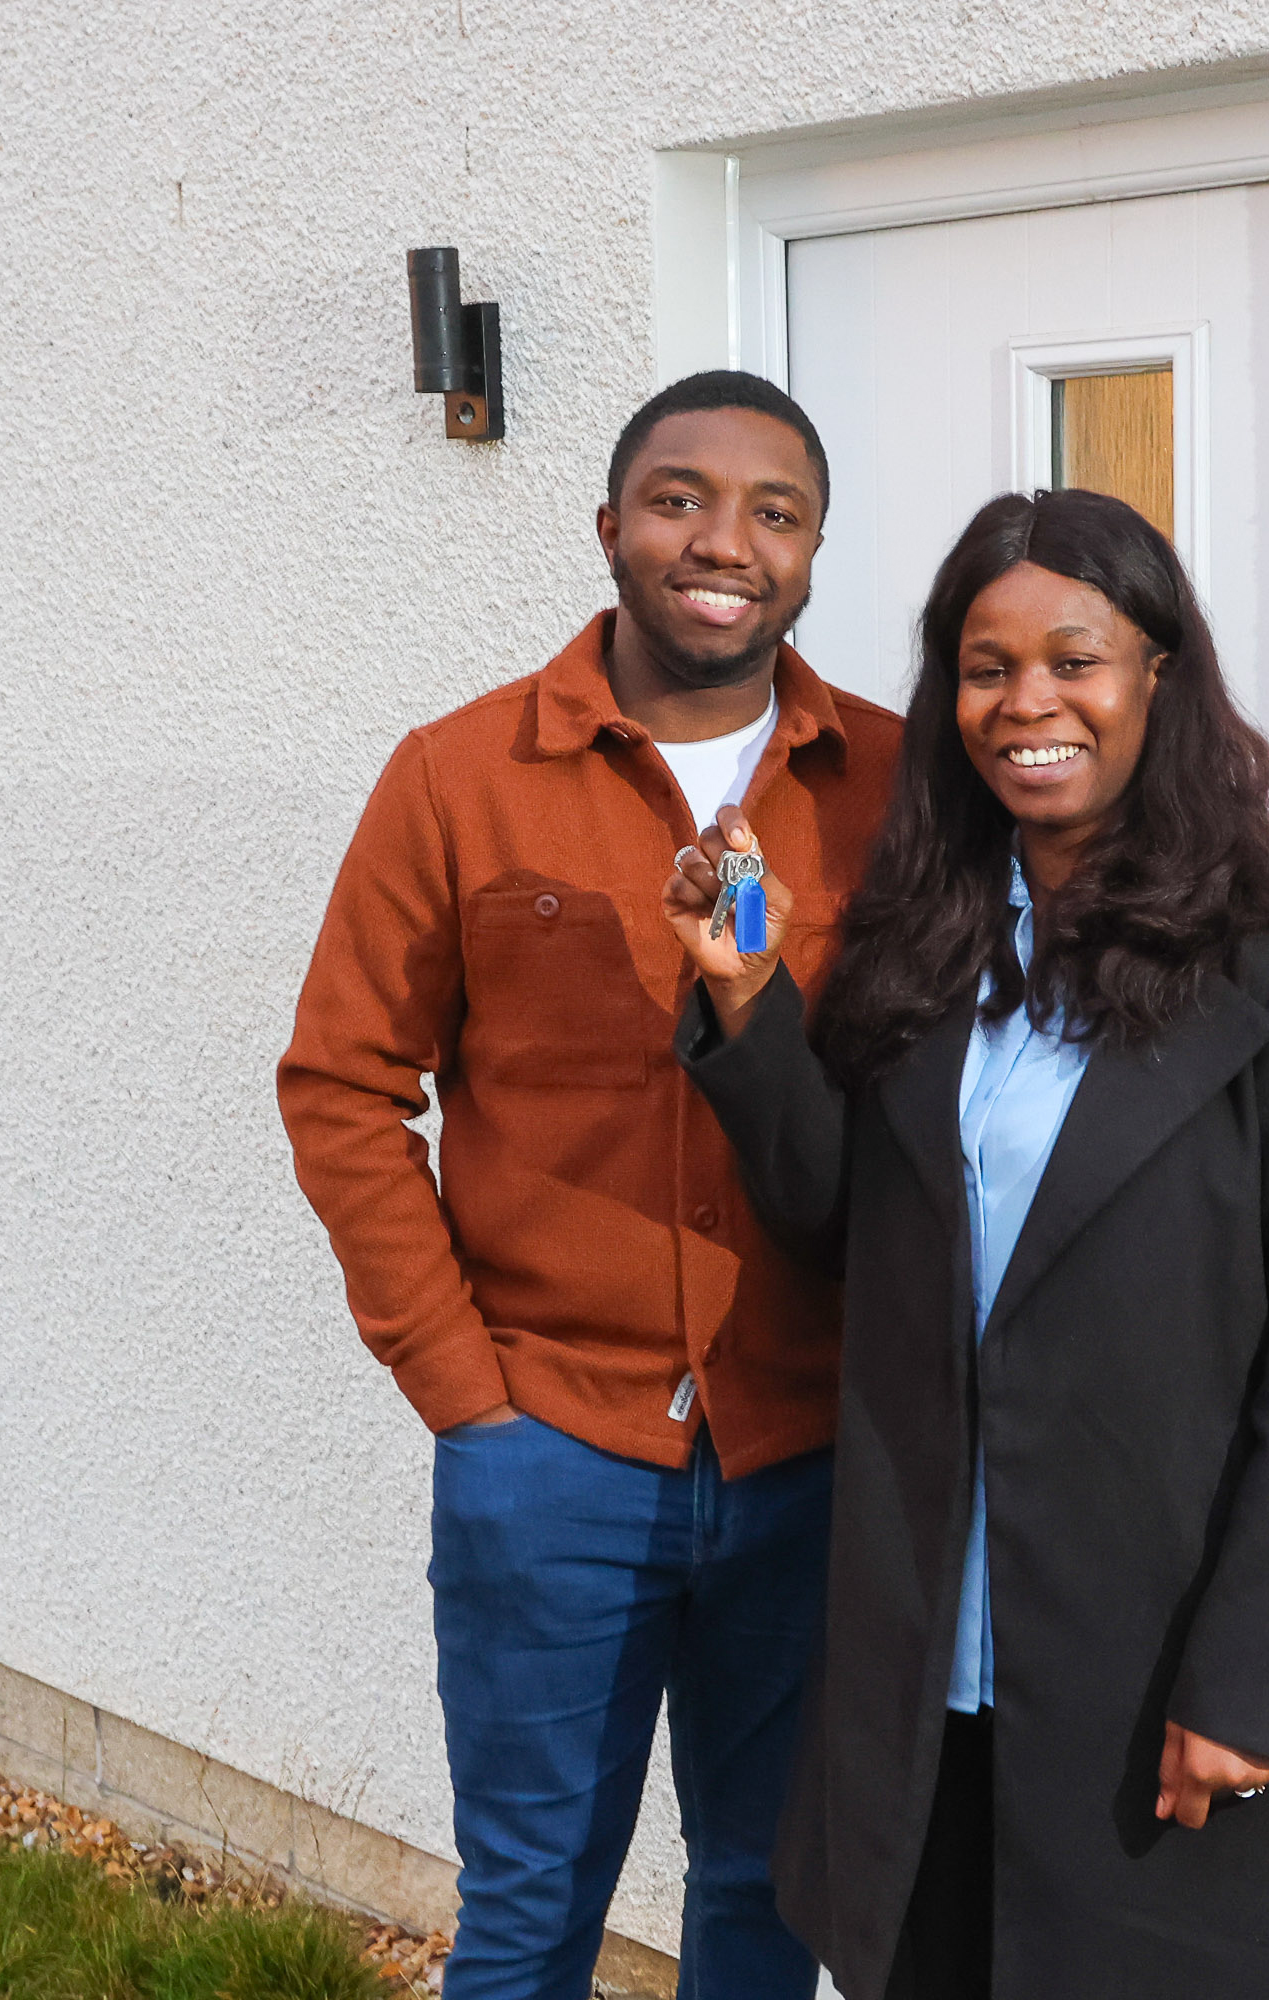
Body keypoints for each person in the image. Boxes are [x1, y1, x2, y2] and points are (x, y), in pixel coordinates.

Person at [662, 487, 1269, 1999]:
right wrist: (750, 1005)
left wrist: (1258, 1677)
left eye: (1075, 658)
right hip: (932, 1663)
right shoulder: (930, 934)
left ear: (1159, 676)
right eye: (986, 666)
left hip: (1158, 1663)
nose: (1028, 703)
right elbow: (840, 1229)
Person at [277, 371, 900, 1998]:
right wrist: (462, 1388)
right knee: (531, 1906)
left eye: (777, 512)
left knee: (770, 1900)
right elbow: (343, 1085)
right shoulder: (459, 776)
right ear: (611, 526)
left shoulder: (892, 794)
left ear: (818, 554)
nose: (725, 542)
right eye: (682, 497)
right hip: (549, 1447)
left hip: (808, 1448)